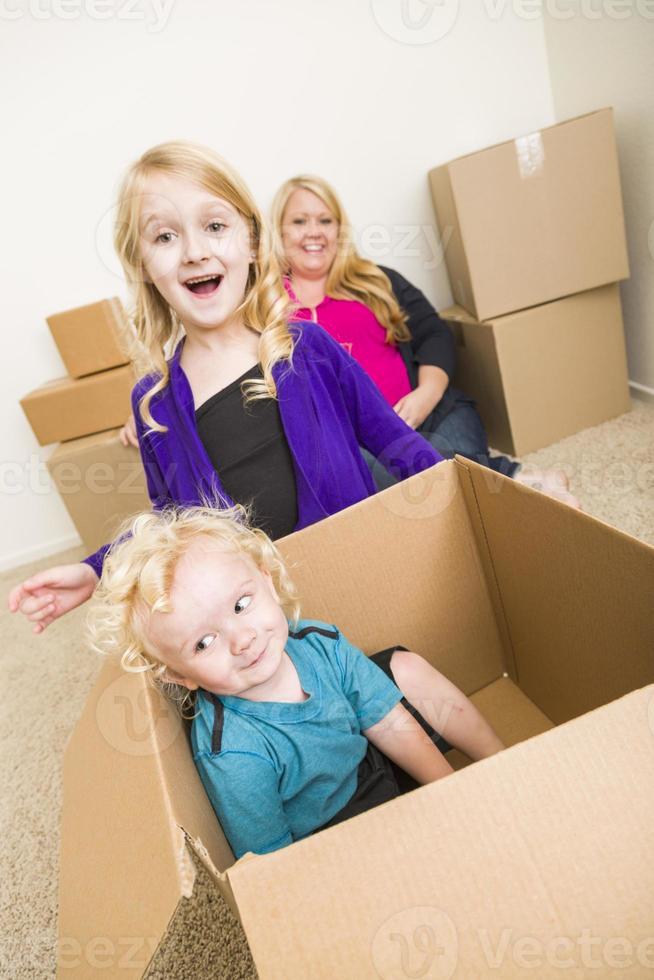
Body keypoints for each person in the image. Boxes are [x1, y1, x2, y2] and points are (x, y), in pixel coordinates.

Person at [8, 142, 443, 634]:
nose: (196, 252)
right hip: (258, 634)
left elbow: (395, 440)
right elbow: (170, 528)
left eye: (214, 226)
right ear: (145, 267)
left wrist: (458, 499)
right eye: (165, 236)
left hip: (358, 577)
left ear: (253, 243)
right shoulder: (155, 402)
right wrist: (93, 570)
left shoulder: (310, 347)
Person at [86, 505, 505, 858]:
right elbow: (275, 860)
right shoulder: (234, 753)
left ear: (267, 580)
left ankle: (502, 762)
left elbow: (388, 723)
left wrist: (451, 792)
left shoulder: (318, 641)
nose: (242, 638)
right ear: (180, 675)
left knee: (405, 666)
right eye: (204, 642)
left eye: (241, 604)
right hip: (336, 836)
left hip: (371, 759)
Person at [270, 174, 579, 503]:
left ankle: (510, 490)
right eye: (299, 221)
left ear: (339, 230)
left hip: (433, 413)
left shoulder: (378, 280)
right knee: (399, 477)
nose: (314, 231)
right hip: (363, 445)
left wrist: (426, 395)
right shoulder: (268, 306)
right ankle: (520, 481)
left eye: (325, 220)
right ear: (280, 231)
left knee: (441, 466)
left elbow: (434, 334)